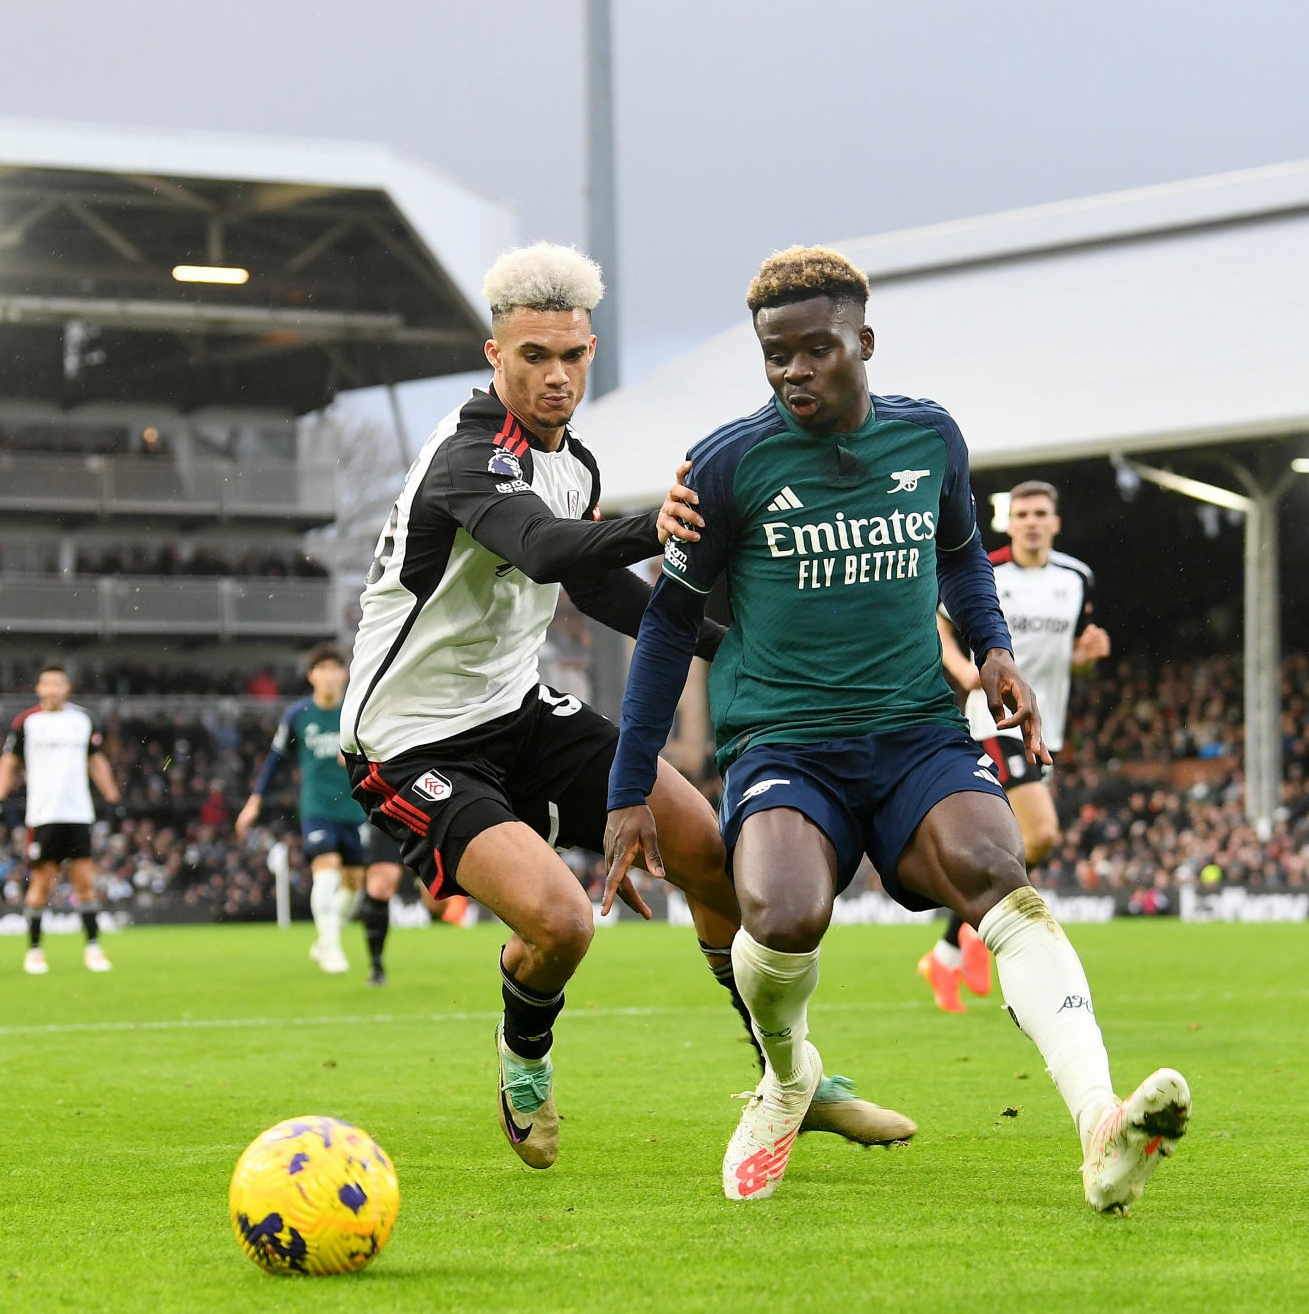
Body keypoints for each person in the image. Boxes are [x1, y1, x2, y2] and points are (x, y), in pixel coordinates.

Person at [604, 246, 1188, 1212]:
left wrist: (993, 648)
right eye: (775, 356)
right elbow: (667, 626)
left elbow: (963, 561)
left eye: (815, 351)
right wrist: (632, 785)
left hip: (918, 733)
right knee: (784, 915)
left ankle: (1102, 1124)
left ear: (863, 341)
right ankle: (788, 1076)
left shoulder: (930, 439)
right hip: (785, 743)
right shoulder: (728, 463)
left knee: (1003, 876)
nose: (793, 372)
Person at [339, 242, 908, 1171]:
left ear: (592, 349)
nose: (555, 375)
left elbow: (600, 592)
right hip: (406, 744)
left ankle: (788, 1076)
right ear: (496, 356)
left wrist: (736, 646)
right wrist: (658, 522)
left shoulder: (576, 460)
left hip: (518, 713)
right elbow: (546, 548)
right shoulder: (466, 456)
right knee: (561, 924)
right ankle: (524, 1057)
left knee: (713, 854)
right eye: (533, 357)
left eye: (571, 356)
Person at [921, 480, 1108, 1012]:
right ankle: (976, 934)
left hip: (1045, 727)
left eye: (1040, 513)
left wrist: (1088, 656)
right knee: (1042, 832)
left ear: (1055, 521)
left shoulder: (1076, 578)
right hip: (994, 719)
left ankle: (947, 952)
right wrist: (964, 672)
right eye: (1021, 512)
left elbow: (1065, 656)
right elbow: (939, 620)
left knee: (1016, 846)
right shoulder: (988, 571)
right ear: (1009, 522)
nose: (1030, 521)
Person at [237, 645, 406, 984]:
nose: (329, 676)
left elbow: (384, 755)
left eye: (335, 669)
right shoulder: (298, 715)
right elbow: (275, 760)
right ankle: (330, 946)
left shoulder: (356, 713)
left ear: (344, 675)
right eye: (322, 669)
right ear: (311, 675)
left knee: (353, 886)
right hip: (317, 808)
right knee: (325, 873)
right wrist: (255, 800)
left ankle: (327, 939)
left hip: (356, 809)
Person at [0, 665, 123, 974]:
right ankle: (35, 951)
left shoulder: (82, 720)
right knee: (40, 883)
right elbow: (8, 761)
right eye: (47, 684)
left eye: (58, 684)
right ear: (38, 688)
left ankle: (93, 948)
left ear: (67, 688)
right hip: (43, 815)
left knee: (85, 884)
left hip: (78, 813)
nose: (52, 690)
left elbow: (97, 761)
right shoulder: (28, 722)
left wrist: (113, 798)